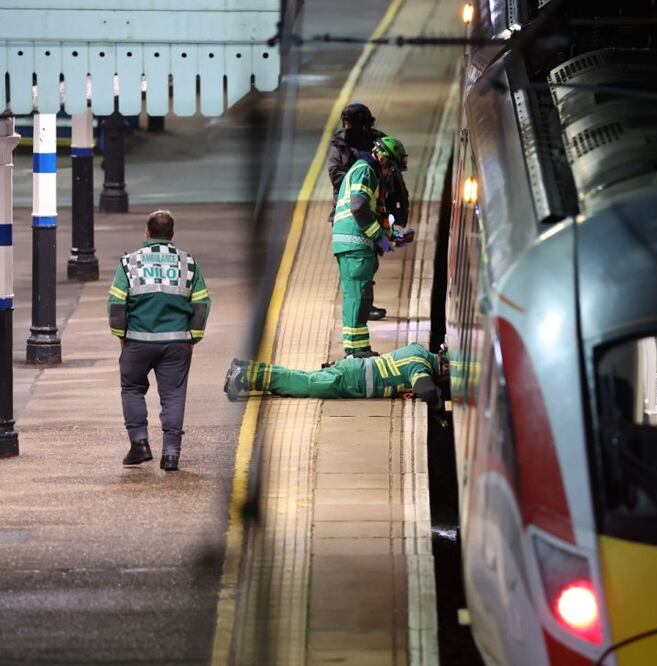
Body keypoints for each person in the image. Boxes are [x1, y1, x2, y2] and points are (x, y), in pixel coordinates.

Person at [108, 210, 211, 471]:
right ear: (172, 235)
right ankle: (171, 454)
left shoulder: (129, 263)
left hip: (138, 341)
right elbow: (201, 305)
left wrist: (122, 335)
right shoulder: (189, 264)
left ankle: (140, 445)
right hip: (177, 342)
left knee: (132, 389)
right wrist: (192, 338)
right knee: (174, 396)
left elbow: (116, 304)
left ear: (147, 232)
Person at [326, 102, 411, 321]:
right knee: (362, 265)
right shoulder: (351, 156)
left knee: (369, 262)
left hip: (372, 208)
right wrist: (361, 181)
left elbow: (394, 180)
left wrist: (392, 231)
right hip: (354, 215)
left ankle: (364, 306)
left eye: (350, 123)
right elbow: (343, 184)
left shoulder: (379, 143)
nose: (346, 127)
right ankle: (364, 307)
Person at [332, 135, 410, 358]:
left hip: (355, 243)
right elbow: (358, 207)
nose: (392, 173)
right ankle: (355, 351)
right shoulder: (365, 171)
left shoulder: (368, 172)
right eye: (392, 168)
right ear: (384, 159)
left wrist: (393, 236)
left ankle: (359, 348)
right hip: (353, 243)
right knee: (358, 296)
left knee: (361, 297)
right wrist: (378, 236)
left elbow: (373, 213)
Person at [222, 342, 447, 411]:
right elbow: (426, 390)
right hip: (350, 380)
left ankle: (246, 368)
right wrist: (438, 403)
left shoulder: (418, 350)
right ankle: (246, 376)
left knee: (301, 377)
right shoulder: (420, 365)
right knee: (303, 384)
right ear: (444, 369)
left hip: (352, 370)